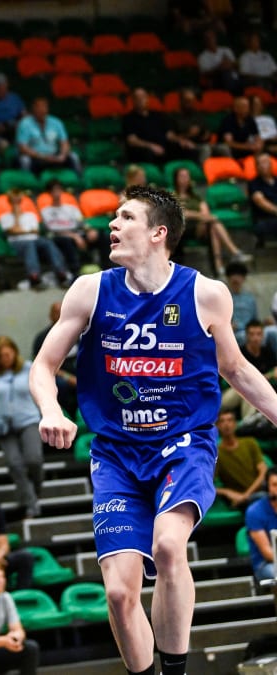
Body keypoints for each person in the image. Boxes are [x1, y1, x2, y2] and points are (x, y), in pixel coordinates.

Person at [31, 184, 277, 675]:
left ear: (158, 233)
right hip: (117, 452)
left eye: (125, 218)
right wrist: (50, 410)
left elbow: (239, 370)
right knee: (121, 593)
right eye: (113, 218)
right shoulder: (90, 290)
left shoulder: (206, 293)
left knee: (168, 545)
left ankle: (175, 670)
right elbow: (43, 365)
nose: (112, 225)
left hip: (183, 442)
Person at [0, 336, 46, 518]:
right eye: (1, 356)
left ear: (15, 352)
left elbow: (42, 390)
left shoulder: (28, 368)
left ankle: (34, 491)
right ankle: (32, 503)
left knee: (34, 459)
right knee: (14, 464)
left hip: (29, 419)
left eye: (8, 354)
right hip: (3, 425)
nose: (6, 358)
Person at [172, 166, 250, 276]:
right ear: (176, 179)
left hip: (201, 227)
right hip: (184, 229)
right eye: (182, 176)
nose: (185, 179)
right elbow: (183, 214)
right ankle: (232, 253)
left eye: (187, 176)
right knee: (213, 223)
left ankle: (220, 264)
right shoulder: (173, 196)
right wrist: (200, 216)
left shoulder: (196, 197)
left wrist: (200, 218)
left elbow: (205, 213)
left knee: (213, 226)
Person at [0, 187, 71, 290]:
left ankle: (61, 273)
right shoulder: (4, 217)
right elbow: (12, 231)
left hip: (35, 240)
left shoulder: (31, 215)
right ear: (10, 202)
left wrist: (21, 231)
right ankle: (34, 276)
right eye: (14, 201)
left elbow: (35, 231)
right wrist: (17, 218)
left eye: (18, 201)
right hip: (17, 243)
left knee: (47, 242)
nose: (16, 204)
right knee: (29, 244)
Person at [39, 179, 107, 272]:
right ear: (49, 193)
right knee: (67, 241)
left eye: (59, 189)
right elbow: (52, 229)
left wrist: (90, 230)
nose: (57, 193)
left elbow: (81, 223)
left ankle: (107, 268)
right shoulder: (46, 211)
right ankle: (75, 272)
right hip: (59, 236)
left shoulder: (71, 208)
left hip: (77, 234)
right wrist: (74, 236)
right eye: (54, 190)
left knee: (101, 235)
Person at [222, 321, 277, 423]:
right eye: (252, 334)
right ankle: (247, 425)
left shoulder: (268, 352)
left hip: (256, 391)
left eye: (258, 334)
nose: (255, 338)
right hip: (234, 389)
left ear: (263, 336)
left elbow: (274, 371)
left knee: (251, 391)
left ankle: (247, 425)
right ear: (246, 336)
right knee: (248, 389)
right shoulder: (239, 353)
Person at [214, 410, 267, 508]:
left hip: (260, 491)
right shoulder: (217, 453)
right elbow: (208, 485)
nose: (226, 424)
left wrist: (246, 495)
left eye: (230, 420)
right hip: (239, 498)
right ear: (217, 426)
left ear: (235, 424)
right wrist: (227, 492)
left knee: (263, 497)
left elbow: (263, 471)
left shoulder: (250, 443)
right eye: (222, 421)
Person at [16, 98, 81, 175]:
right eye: (38, 107)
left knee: (73, 156)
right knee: (25, 160)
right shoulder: (25, 124)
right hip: (36, 157)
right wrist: (43, 157)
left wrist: (62, 155)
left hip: (55, 156)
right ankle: (29, 183)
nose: (42, 109)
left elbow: (65, 143)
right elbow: (23, 148)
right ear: (33, 108)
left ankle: (79, 181)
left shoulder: (56, 122)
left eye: (44, 106)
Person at [122, 88, 180, 164]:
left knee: (180, 147)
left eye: (143, 97)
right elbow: (132, 140)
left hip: (163, 146)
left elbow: (169, 135)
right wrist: (151, 146)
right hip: (145, 149)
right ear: (133, 100)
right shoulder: (128, 119)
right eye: (137, 98)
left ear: (147, 99)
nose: (141, 100)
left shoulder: (158, 115)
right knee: (147, 153)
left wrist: (181, 140)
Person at [245, 468, 277, 582]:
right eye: (274, 485)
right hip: (265, 564)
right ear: (267, 486)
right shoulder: (255, 511)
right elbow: (267, 553)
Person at [249, 154, 277, 243]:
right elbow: (260, 201)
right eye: (261, 163)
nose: (264, 165)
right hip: (264, 220)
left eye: (266, 162)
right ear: (257, 167)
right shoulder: (254, 183)